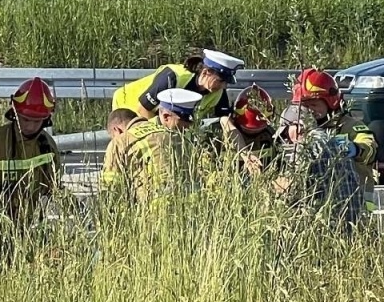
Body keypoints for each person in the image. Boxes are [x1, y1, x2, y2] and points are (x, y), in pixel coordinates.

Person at [0, 76, 62, 221]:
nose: (30, 126)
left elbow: (55, 188)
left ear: (45, 119)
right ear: (15, 113)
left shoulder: (47, 145)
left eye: (36, 121)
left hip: (31, 225)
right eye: (25, 119)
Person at [287, 68, 378, 212]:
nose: (309, 110)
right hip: (320, 199)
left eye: (314, 105)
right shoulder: (303, 127)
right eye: (304, 106)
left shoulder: (350, 125)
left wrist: (356, 148)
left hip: (355, 201)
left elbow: (371, 148)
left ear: (330, 102)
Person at [102, 87, 204, 202]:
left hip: (154, 207)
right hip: (192, 204)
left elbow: (110, 189)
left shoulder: (120, 141)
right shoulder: (175, 136)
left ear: (117, 130)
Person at [275, 103, 366, 229]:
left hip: (328, 224)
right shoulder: (332, 141)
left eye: (285, 133)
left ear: (298, 126)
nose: (286, 139)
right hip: (352, 220)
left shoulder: (307, 149)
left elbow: (291, 189)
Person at [111, 50, 244, 122]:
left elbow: (225, 121)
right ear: (206, 72)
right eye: (221, 80)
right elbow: (143, 109)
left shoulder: (218, 92)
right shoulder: (172, 76)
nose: (224, 86)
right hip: (129, 106)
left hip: (161, 118)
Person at [218, 84, 278, 177]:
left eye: (258, 129)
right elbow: (225, 122)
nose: (252, 132)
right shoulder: (224, 133)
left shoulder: (270, 136)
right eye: (247, 129)